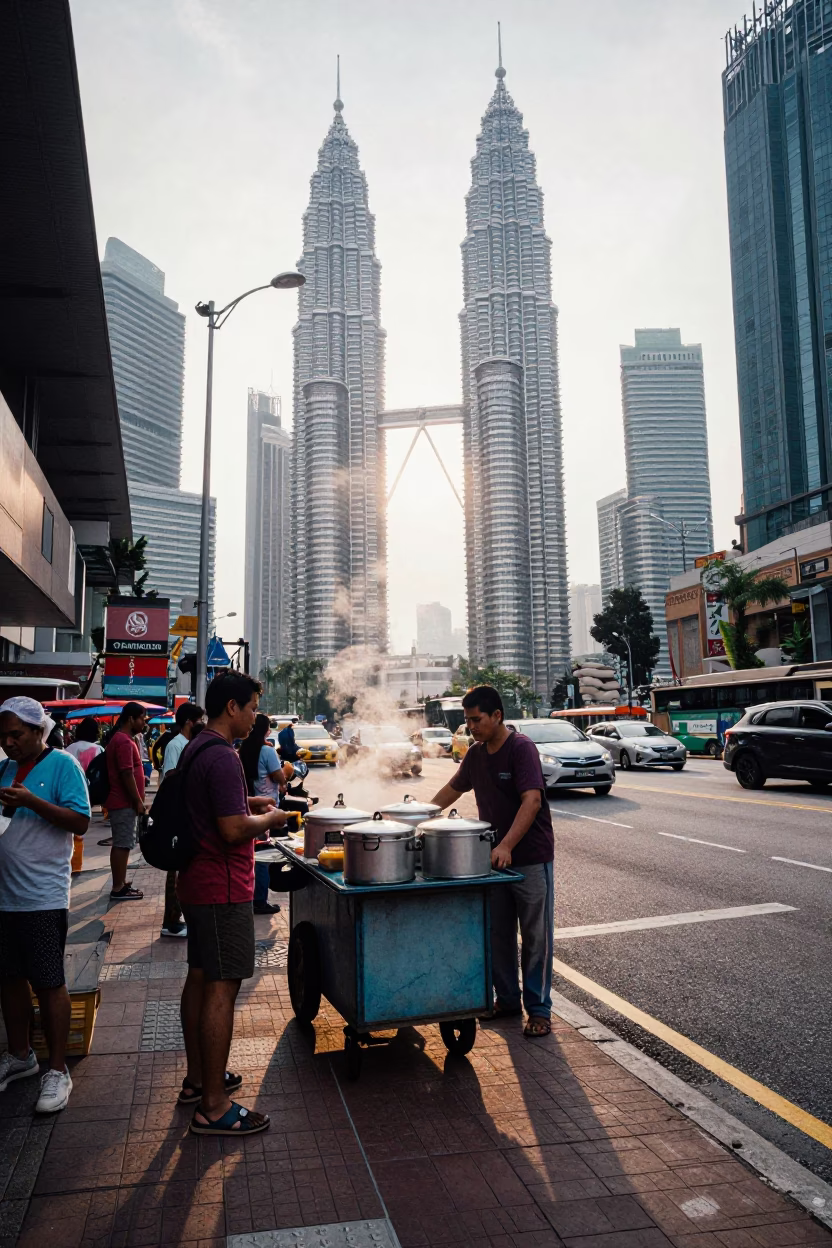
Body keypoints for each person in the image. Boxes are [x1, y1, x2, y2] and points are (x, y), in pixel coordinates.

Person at [176, 671, 287, 1135]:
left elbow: (215, 808)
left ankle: (199, 1081)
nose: (256, 716)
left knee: (200, 979)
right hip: (222, 887)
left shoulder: (197, 746)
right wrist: (272, 817)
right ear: (232, 708)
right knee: (223, 986)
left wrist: (248, 801)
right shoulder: (221, 756)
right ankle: (215, 1107)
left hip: (197, 883)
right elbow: (230, 829)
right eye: (254, 706)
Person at [430, 685, 554, 1039]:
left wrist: (506, 845)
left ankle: (539, 1010)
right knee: (498, 933)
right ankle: (508, 1000)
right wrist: (414, 816)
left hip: (529, 858)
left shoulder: (521, 749)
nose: (471, 727)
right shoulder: (475, 754)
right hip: (494, 861)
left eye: (476, 720)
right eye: (467, 721)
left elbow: (531, 802)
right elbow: (452, 790)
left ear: (497, 715)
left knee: (535, 937)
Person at [0, 697, 91, 1112]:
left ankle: (58, 1071)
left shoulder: (62, 766)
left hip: (42, 896)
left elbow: (81, 822)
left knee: (49, 982)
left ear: (40, 731)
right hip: (5, 895)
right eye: (2, 735)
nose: (8, 742)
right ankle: (21, 1056)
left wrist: (31, 802)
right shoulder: (2, 768)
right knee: (9, 978)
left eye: (16, 734)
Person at [158, 703, 205, 940]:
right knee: (175, 869)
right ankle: (171, 921)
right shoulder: (176, 745)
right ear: (189, 722)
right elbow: (170, 777)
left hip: (187, 814)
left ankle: (179, 917)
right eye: (199, 720)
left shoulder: (188, 744)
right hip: (177, 814)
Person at [239, 714, 286, 916]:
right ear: (264, 729)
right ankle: (259, 900)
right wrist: (287, 769)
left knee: (252, 855)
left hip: (248, 805)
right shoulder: (267, 751)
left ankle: (250, 896)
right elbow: (280, 777)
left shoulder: (243, 751)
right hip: (266, 808)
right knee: (263, 856)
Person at [104, 702, 148, 901]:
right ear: (131, 719)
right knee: (122, 844)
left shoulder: (125, 739)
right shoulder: (122, 741)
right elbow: (126, 773)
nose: (144, 722)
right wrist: (137, 801)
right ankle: (118, 888)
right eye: (142, 718)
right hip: (122, 802)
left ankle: (120, 882)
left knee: (124, 843)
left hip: (123, 803)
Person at [66, 718, 103, 874]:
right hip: (91, 792)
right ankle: (77, 864)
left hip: (70, 792)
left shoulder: (68, 748)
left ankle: (75, 864)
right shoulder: (99, 749)